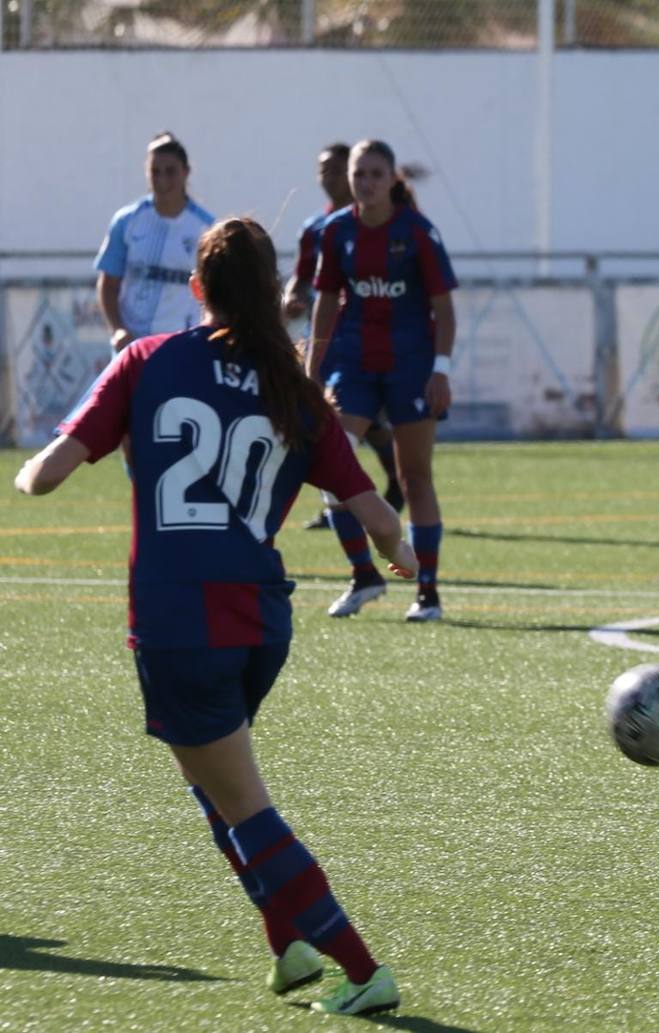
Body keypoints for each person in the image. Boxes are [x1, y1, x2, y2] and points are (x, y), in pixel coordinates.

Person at [15, 217, 415, 1015]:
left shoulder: (148, 360)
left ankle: (363, 970)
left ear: (196, 290)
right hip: (261, 620)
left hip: (178, 622)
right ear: (273, 293)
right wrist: (400, 555)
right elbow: (376, 518)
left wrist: (33, 464)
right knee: (213, 781)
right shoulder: (296, 389)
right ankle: (287, 944)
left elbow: (44, 479)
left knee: (243, 801)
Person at [307, 139, 457, 623]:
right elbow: (326, 302)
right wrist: (312, 370)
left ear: (392, 179)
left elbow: (443, 307)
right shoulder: (336, 231)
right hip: (353, 365)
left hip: (411, 366)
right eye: (359, 174)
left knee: (414, 478)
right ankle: (364, 574)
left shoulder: (416, 233)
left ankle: (427, 592)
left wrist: (441, 369)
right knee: (331, 462)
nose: (366, 182)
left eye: (375, 173)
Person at [284, 142, 404, 529]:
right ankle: (349, 499)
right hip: (327, 336)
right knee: (343, 423)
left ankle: (396, 487)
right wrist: (292, 297)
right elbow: (302, 280)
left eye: (335, 170)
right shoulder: (315, 229)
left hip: (366, 336)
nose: (328, 178)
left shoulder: (383, 223)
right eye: (323, 171)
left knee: (360, 421)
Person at [95, 132, 214, 352]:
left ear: (186, 172)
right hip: (134, 347)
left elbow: (216, 293)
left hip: (182, 346)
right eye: (155, 172)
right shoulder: (127, 221)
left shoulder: (206, 228)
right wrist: (118, 329)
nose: (162, 180)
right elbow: (108, 285)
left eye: (170, 172)